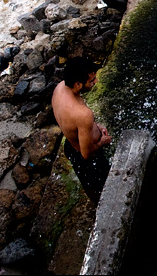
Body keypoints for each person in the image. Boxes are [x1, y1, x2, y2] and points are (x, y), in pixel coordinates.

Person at [52, 57, 112, 205]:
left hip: (70, 146)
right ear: (78, 84)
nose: (95, 82)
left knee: (88, 183)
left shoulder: (60, 88)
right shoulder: (83, 114)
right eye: (91, 81)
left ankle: (97, 204)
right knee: (104, 186)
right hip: (86, 157)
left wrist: (94, 127)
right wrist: (102, 141)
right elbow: (86, 154)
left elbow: (72, 122)